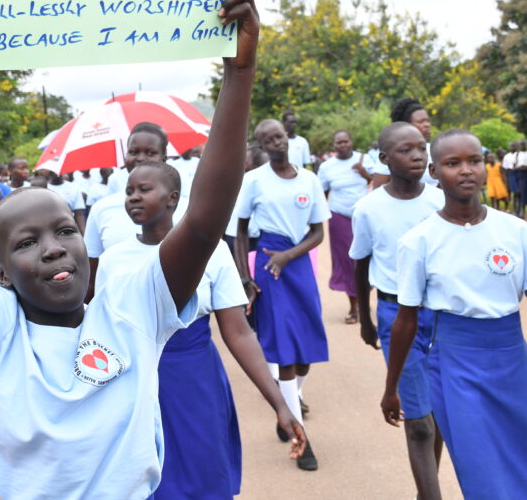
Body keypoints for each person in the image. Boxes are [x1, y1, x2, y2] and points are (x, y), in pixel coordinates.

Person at [0, 0, 264, 498]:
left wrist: (239, 73)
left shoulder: (132, 310)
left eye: (63, 232)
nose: (54, 250)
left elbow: (203, 222)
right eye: (27, 244)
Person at [381, 129, 527, 499]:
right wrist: (392, 386)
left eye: (474, 160)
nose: (466, 170)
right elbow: (406, 321)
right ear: (434, 171)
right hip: (454, 365)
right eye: (452, 163)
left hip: (512, 363)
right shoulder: (419, 241)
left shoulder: (516, 231)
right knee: (482, 475)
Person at [97, 161, 305, 497]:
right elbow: (103, 334)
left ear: (172, 198)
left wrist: (280, 403)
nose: (133, 197)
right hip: (134, 381)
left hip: (196, 380)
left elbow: (238, 333)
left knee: (202, 473)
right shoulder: (113, 260)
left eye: (144, 189)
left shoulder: (213, 250)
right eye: (129, 191)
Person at [351, 122, 445, 499]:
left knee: (436, 414)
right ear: (385, 159)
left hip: (442, 315)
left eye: (422, 148)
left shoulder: (441, 200)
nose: (418, 156)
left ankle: (427, 493)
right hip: (395, 316)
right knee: (418, 422)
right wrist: (365, 320)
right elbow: (361, 264)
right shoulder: (368, 208)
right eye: (406, 151)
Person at [233, 118, 330, 471]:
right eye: (268, 140)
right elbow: (241, 231)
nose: (277, 143)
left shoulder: (309, 180)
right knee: (286, 353)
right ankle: (300, 437)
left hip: (296, 261)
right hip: (269, 267)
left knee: (307, 351)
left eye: (280, 136)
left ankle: (289, 402)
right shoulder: (254, 181)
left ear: (287, 138)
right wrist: (245, 277)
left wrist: (291, 255)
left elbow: (318, 232)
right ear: (260, 146)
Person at [83, 122, 188, 301]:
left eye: (150, 152)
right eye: (133, 151)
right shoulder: (102, 209)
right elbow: (92, 276)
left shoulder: (186, 209)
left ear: (164, 158)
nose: (140, 158)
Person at [317, 129, 373, 324]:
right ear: (334, 146)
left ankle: (364, 297)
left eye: (345, 141)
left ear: (351, 142)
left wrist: (364, 172)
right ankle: (354, 308)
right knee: (350, 262)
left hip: (364, 218)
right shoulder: (326, 167)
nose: (342, 145)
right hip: (339, 217)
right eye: (338, 143)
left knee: (368, 260)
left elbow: (377, 183)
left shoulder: (364, 159)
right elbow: (321, 193)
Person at [372, 98, 436, 188]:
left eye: (427, 121)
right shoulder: (393, 154)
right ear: (406, 125)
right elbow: (378, 192)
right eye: (421, 121)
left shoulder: (436, 150)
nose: (427, 125)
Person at [37, 168, 87, 232]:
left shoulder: (73, 187)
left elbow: (79, 214)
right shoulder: (43, 187)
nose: (56, 172)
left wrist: (84, 235)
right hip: (50, 228)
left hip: (69, 227)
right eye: (52, 170)